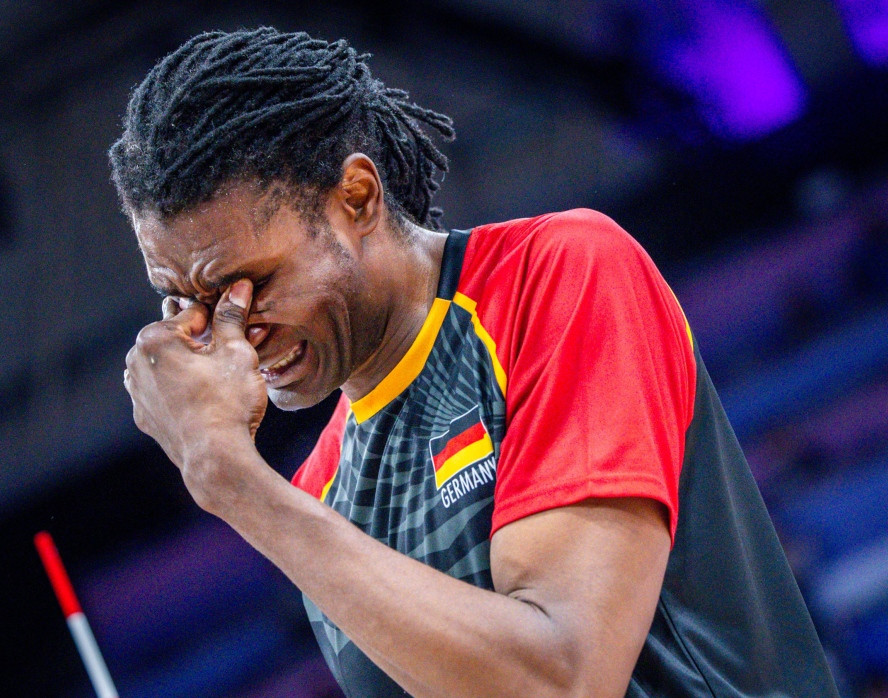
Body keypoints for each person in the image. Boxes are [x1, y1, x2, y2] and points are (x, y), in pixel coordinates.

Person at [113, 27, 838, 696]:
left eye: (250, 288)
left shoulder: (558, 273)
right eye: (183, 303)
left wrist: (232, 481)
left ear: (356, 199)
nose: (226, 338)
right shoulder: (318, 490)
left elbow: (565, 678)